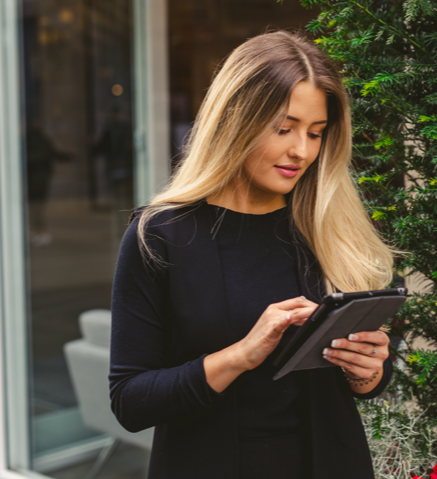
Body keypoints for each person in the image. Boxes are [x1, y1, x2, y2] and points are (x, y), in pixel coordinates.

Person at [109, 31, 396, 479]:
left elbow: (363, 386)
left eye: (315, 133)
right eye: (284, 129)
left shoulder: (325, 227)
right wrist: (242, 354)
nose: (301, 151)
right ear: (236, 120)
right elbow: (130, 400)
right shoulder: (159, 236)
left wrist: (368, 370)